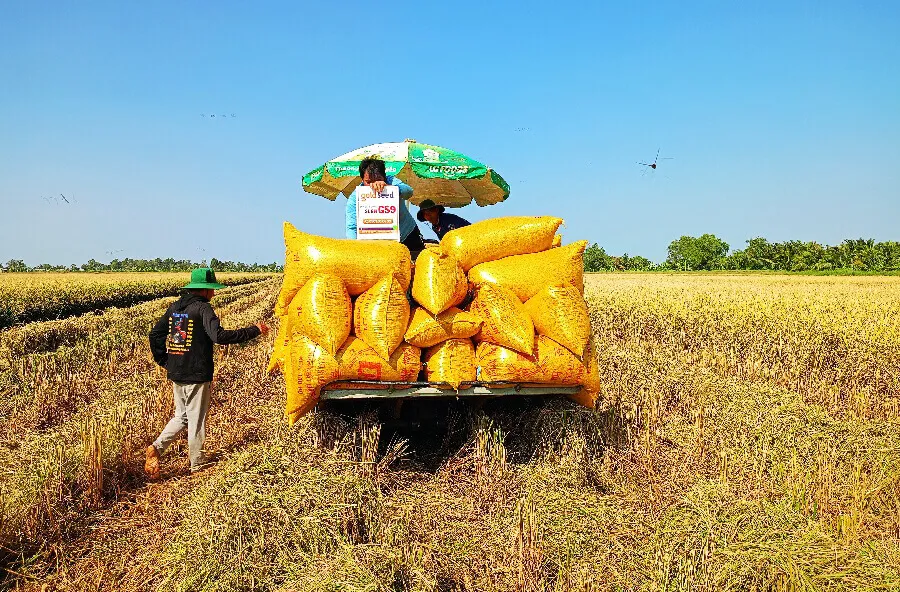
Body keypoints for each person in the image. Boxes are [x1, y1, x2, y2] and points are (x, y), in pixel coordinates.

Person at [145, 267, 268, 479]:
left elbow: (155, 334)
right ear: (205, 290)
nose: (214, 293)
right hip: (196, 373)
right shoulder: (203, 309)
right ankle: (197, 465)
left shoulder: (175, 308)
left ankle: (156, 447)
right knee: (196, 420)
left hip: (177, 373)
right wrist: (253, 330)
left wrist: (165, 360)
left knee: (181, 416)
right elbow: (218, 336)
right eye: (212, 289)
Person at [346, 157, 426, 258]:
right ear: (362, 180)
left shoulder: (391, 181)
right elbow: (352, 227)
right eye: (369, 182)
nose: (374, 185)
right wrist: (356, 249)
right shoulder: (355, 198)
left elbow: (408, 192)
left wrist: (389, 187)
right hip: (378, 245)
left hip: (407, 234)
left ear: (385, 177)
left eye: (378, 180)